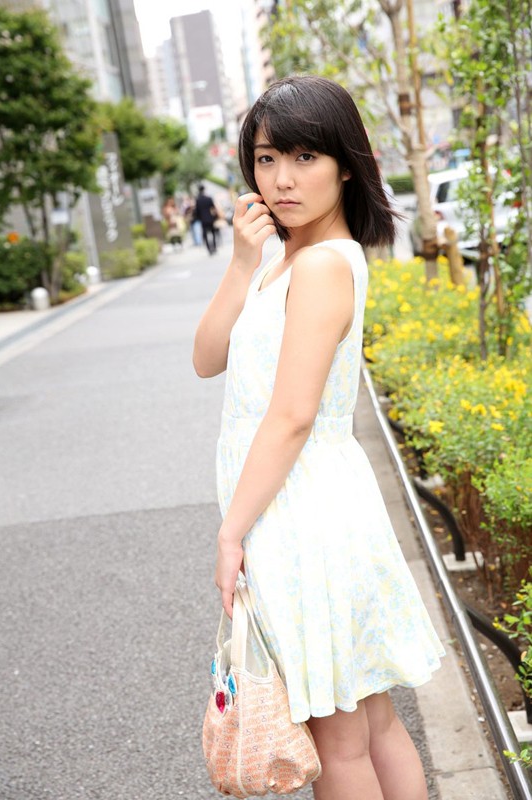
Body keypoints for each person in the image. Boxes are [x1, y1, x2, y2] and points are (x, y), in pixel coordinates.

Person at [194, 76, 444, 800]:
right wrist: (242, 264)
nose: (282, 179)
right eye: (267, 159)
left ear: (346, 165)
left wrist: (230, 534)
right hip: (304, 504)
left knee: (338, 740)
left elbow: (292, 416)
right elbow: (206, 358)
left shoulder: (325, 265)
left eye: (305, 157)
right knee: (368, 720)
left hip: (303, 514)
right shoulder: (284, 258)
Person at [193, 184, 218, 255]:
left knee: (205, 235)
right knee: (213, 233)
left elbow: (197, 211)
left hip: (203, 219)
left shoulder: (198, 200)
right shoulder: (208, 198)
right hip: (210, 218)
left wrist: (198, 217)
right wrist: (215, 216)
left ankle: (209, 249)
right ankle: (214, 247)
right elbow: (213, 208)